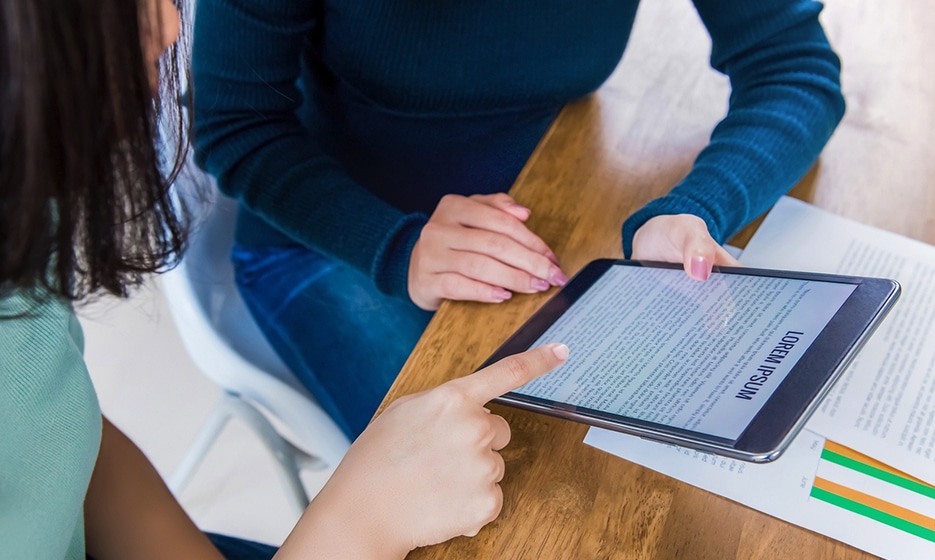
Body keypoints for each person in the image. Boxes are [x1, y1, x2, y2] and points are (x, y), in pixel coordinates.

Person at [0, 0, 568, 558]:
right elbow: (235, 122)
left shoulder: (24, 217)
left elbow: (63, 440)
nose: (173, 24)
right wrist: (356, 521)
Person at [191, 0, 846, 439]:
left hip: (553, 201)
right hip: (343, 241)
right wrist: (397, 247)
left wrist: (693, 208)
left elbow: (792, 68)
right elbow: (235, 122)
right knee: (502, 485)